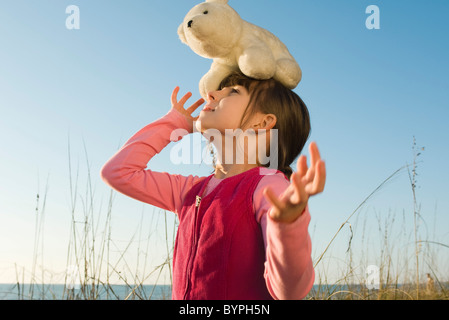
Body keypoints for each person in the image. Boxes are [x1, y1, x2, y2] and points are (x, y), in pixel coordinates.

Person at [101, 72, 326, 300]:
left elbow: (290, 292)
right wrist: (174, 123)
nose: (211, 93)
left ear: (262, 122)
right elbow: (118, 172)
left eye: (233, 91)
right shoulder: (190, 190)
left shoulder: (270, 187)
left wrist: (287, 226)